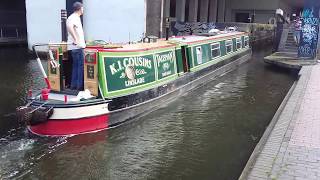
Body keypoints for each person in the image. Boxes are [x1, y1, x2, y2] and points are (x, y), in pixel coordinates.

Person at [67, 2, 85, 90]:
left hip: (75, 47)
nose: (83, 10)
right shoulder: (73, 17)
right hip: (78, 47)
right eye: (83, 8)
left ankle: (73, 86)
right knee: (80, 66)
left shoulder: (75, 17)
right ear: (80, 8)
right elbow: (69, 27)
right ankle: (79, 87)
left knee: (76, 66)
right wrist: (76, 39)